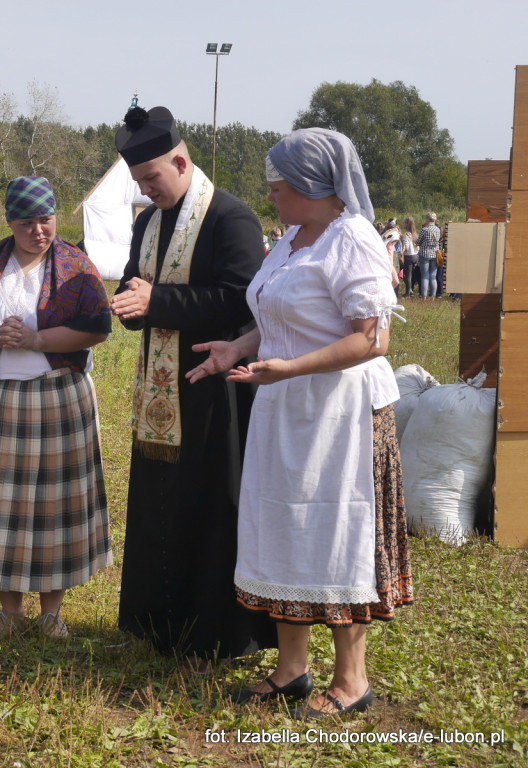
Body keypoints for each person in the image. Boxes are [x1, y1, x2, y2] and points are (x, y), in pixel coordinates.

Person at [187, 127, 413, 719]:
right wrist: (238, 348)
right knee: (286, 527)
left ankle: (353, 679)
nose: (272, 199)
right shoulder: (291, 238)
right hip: (286, 405)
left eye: (280, 188)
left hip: (342, 413)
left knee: (338, 535)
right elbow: (279, 313)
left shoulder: (353, 240)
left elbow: (371, 338)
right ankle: (291, 671)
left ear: (314, 187)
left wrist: (289, 368)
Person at [109, 102, 275, 660]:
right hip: (161, 386)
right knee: (161, 502)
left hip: (218, 389)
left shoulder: (231, 217)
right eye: (138, 182)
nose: (145, 190)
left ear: (180, 161)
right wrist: (133, 305)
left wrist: (158, 300)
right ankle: (160, 623)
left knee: (213, 506)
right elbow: (141, 283)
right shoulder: (147, 221)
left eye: (151, 178)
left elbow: (240, 300)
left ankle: (218, 633)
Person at [0, 176, 112, 641]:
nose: (38, 230)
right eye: (26, 223)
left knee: (56, 506)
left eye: (45, 219)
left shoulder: (77, 265)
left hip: (58, 398)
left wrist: (37, 339)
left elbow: (97, 327)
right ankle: (10, 610)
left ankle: (51, 613)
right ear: (9, 223)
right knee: (3, 506)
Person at [417, 212, 441, 299]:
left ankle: (424, 296)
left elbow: (418, 242)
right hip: (435, 254)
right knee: (433, 276)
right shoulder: (438, 229)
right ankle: (433, 296)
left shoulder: (424, 230)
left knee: (425, 276)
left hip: (424, 253)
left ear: (427, 219)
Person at [400, 216, 420, 297]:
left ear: (407, 225)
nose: (403, 224)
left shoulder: (406, 235)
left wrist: (402, 247)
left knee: (406, 275)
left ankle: (408, 293)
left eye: (404, 222)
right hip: (415, 255)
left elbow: (407, 247)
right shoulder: (415, 234)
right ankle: (410, 290)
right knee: (410, 274)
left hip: (409, 256)